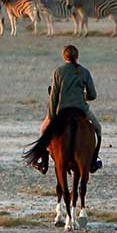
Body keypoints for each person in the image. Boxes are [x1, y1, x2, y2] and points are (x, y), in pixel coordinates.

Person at [39, 44, 102, 172]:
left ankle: (43, 161)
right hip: (81, 109)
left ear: (64, 56)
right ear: (77, 56)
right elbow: (93, 95)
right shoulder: (84, 72)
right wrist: (82, 96)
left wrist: (52, 116)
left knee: (43, 130)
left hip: (61, 109)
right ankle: (94, 160)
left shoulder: (58, 71)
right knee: (98, 129)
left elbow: (54, 96)